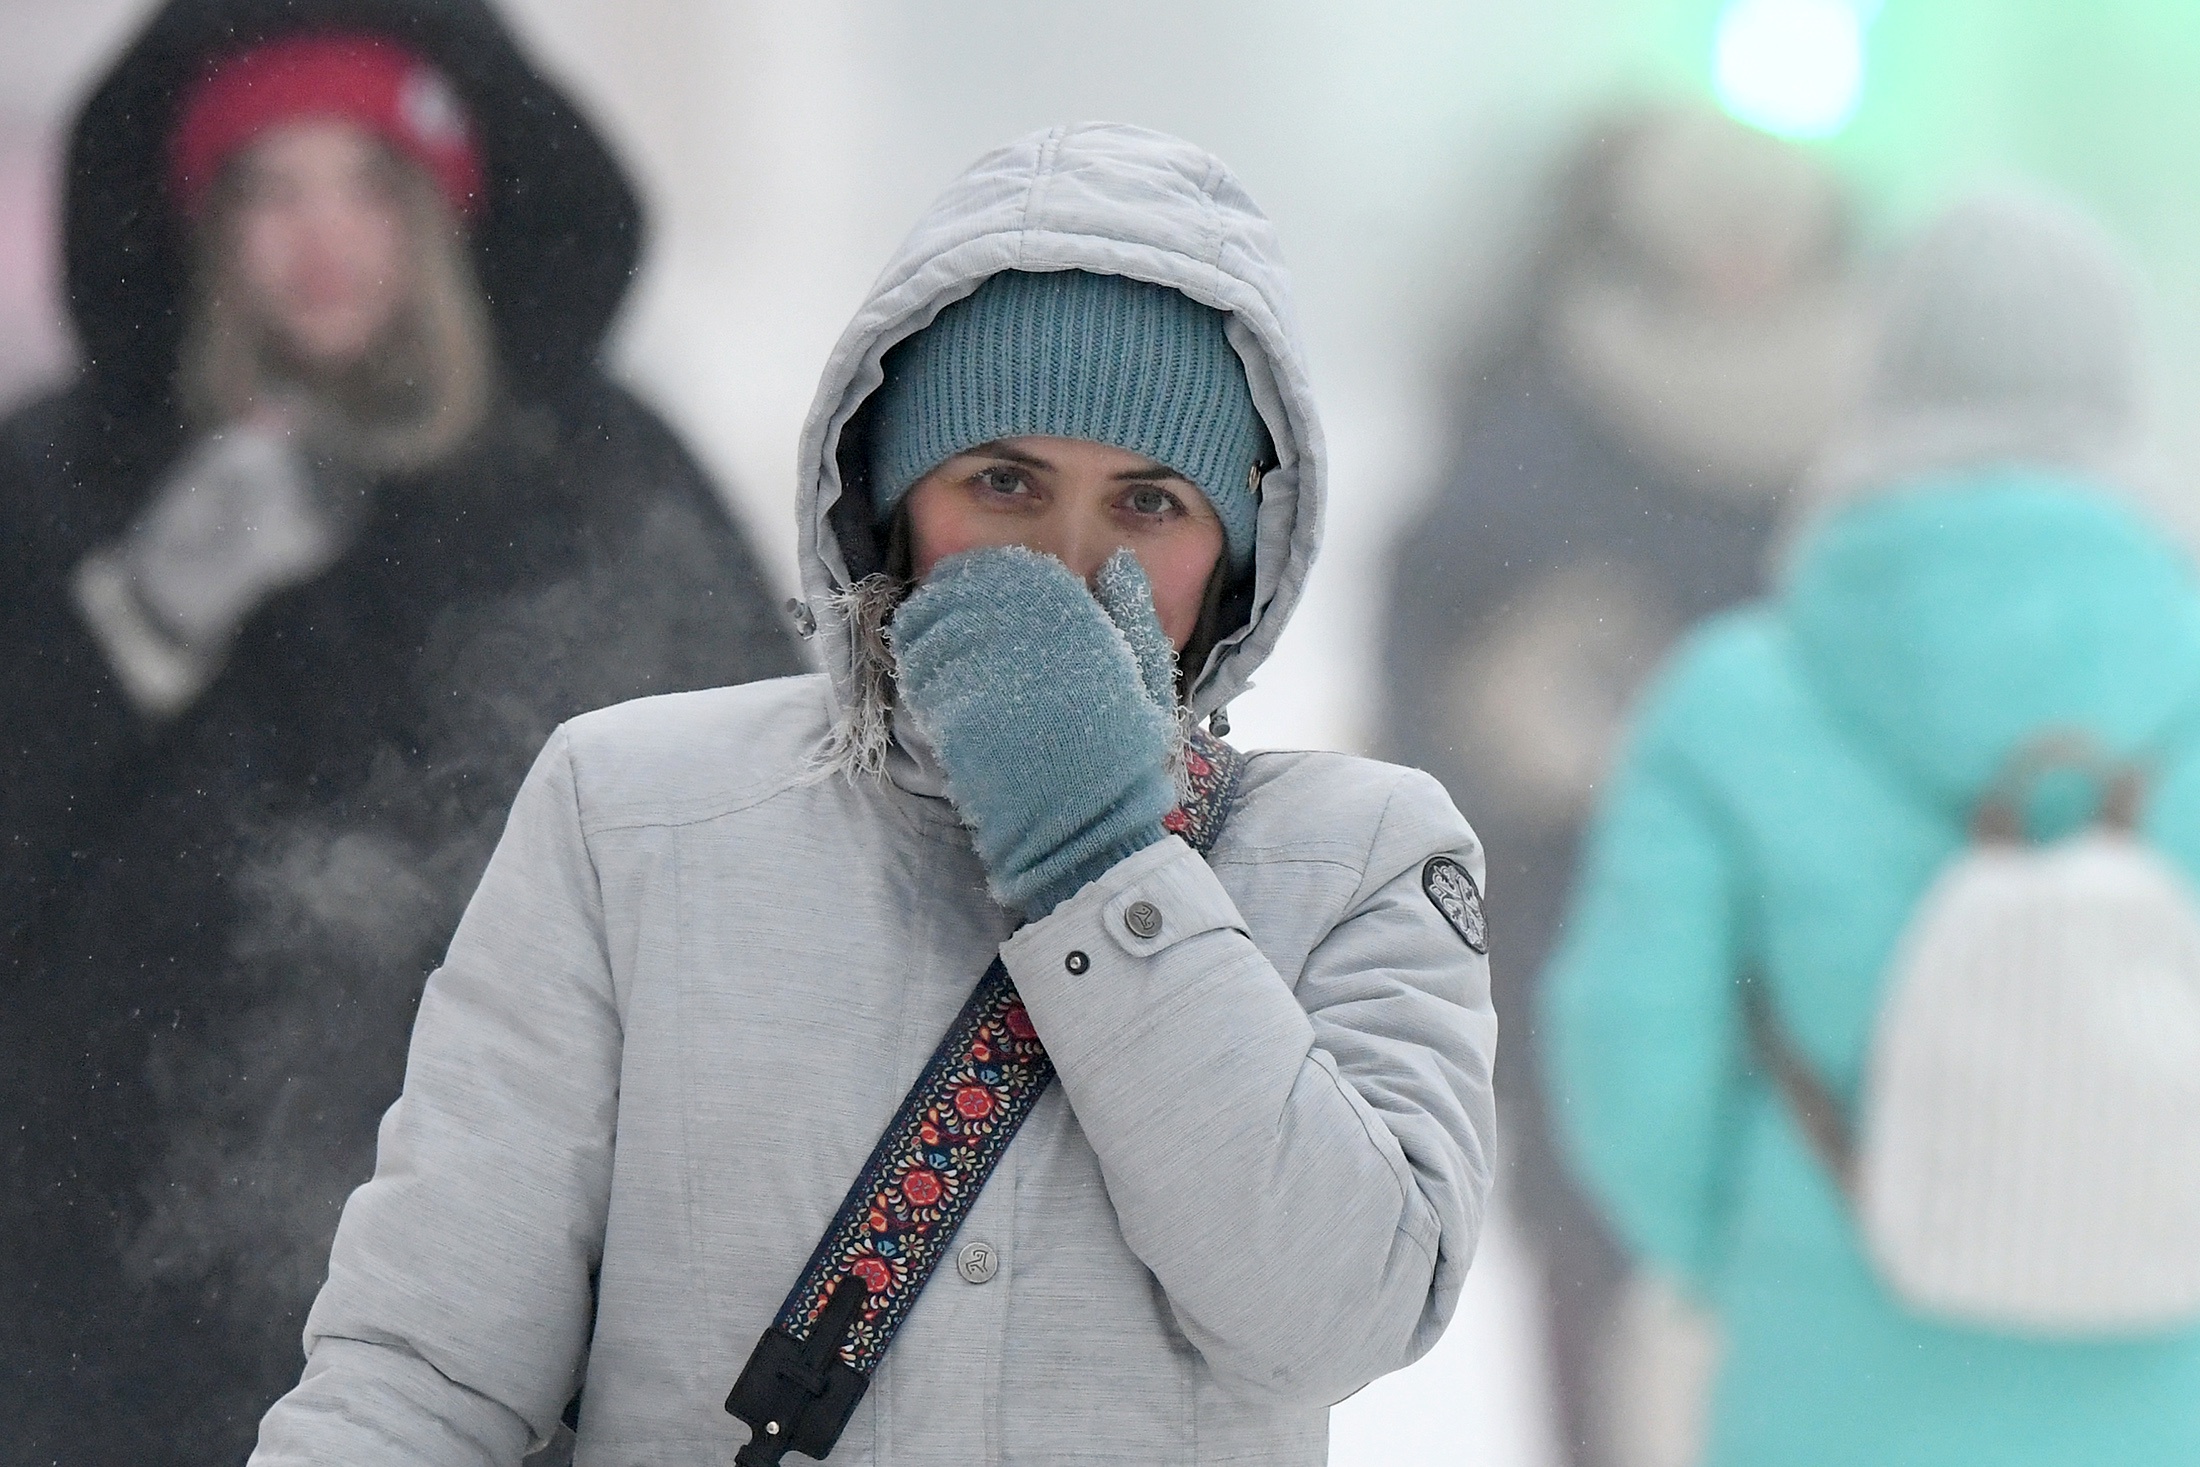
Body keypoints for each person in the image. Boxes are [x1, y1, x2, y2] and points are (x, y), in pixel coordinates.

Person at [247, 121, 1498, 1465]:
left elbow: (1337, 1313)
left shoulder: (1355, 856)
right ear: (890, 501)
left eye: (1148, 503)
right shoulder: (634, 815)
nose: (1070, 560)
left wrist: (1105, 866)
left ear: (1236, 555)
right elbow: (426, 1370)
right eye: (1004, 482)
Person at [0, 2, 801, 1460]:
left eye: (368, 183)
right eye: (270, 188)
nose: (320, 238)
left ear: (440, 204)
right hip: (111, 1306)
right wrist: (126, 631)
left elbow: (759, 836)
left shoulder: (595, 477)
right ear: (205, 218)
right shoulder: (60, 481)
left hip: (510, 1288)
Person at [1541, 190, 2200, 1466]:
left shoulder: (1732, 701)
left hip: (1828, 1386)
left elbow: (1630, 1047)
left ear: (1882, 378)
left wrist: (1754, 1255)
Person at [1377, 102, 1861, 1467]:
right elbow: (1422, 688)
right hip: (1587, 951)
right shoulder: (1537, 418)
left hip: (1812, 970)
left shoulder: (1879, 426)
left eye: (1768, 242)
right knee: (1608, 1335)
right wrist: (1502, 723)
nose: (1740, 269)